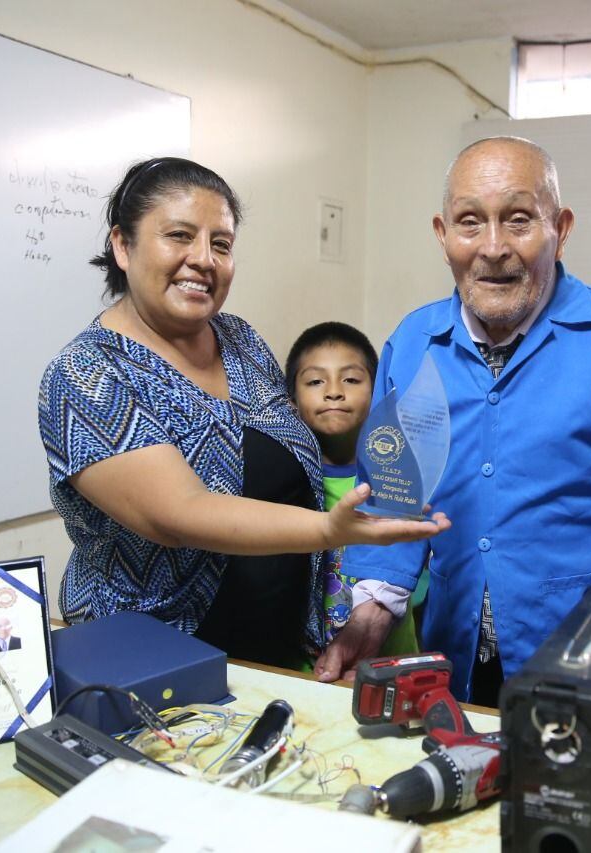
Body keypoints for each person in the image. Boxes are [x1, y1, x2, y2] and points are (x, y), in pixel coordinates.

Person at [315, 137, 591, 704]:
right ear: (442, 233)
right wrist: (371, 615)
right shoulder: (412, 345)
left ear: (562, 227)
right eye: (470, 222)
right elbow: (393, 498)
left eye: (520, 219)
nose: (494, 247)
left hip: (588, 662)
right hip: (451, 659)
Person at [38, 157, 447, 669]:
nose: (203, 259)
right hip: (151, 661)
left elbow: (286, 457)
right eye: (180, 236)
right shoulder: (88, 374)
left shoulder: (239, 339)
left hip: (272, 649)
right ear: (123, 245)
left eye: (221, 244)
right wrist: (330, 529)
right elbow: (178, 514)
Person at [285, 321, 419, 655]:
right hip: (307, 666)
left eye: (351, 379)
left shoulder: (398, 478)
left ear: (378, 393)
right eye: (316, 381)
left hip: (392, 660)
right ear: (291, 401)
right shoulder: (288, 482)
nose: (334, 391)